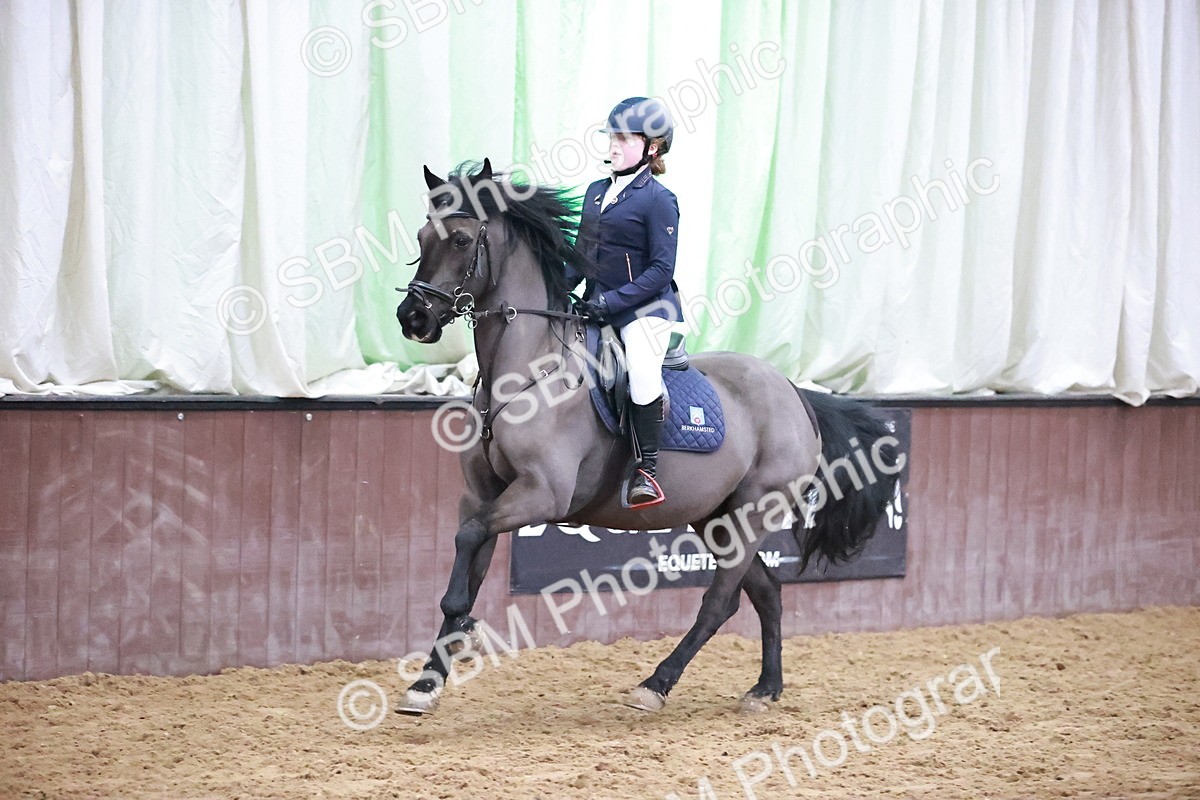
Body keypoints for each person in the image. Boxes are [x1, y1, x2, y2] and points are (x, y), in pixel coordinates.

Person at [575, 96, 684, 509]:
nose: (614, 145)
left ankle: (646, 471)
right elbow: (582, 255)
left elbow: (660, 270)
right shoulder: (596, 191)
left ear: (651, 147)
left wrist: (613, 302)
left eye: (624, 138)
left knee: (640, 369)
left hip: (646, 310)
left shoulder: (659, 199)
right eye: (611, 137)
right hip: (598, 303)